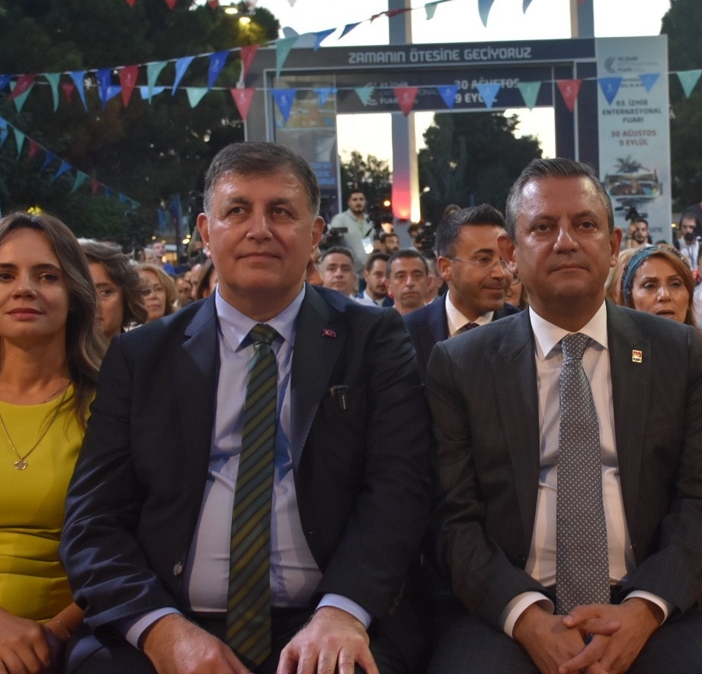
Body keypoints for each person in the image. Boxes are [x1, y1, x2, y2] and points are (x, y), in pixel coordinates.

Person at [59, 142, 432, 674]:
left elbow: (400, 487)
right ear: (206, 233)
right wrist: (162, 631)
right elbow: (93, 520)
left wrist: (343, 611)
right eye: (237, 211)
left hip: (329, 617)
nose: (260, 229)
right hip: (169, 616)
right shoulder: (141, 356)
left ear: (315, 235)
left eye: (280, 211)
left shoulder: (371, 338)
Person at [426, 158, 702, 674]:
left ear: (613, 241)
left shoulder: (677, 351)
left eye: (584, 224)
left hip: (646, 601)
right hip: (508, 608)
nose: (565, 242)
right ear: (510, 252)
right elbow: (452, 519)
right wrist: (526, 618)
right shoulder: (462, 363)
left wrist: (643, 611)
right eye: (542, 227)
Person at [0, 212, 106, 673]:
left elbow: (134, 547)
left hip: (65, 643)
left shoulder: (114, 407)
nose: (24, 289)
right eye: (5, 275)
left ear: (74, 296)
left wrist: (49, 637)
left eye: (47, 276)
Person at [403, 204, 518, 376]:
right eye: (484, 260)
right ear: (445, 267)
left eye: (504, 261)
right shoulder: (408, 331)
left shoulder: (524, 331)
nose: (500, 273)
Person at [620, 246, 702, 401]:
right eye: (650, 286)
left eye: (675, 284)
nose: (664, 295)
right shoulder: (614, 357)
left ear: (689, 297)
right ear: (630, 299)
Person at [80, 241, 147, 342]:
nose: (94, 304)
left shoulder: (149, 351)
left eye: (105, 292)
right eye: (84, 293)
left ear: (126, 298)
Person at [326, 187, 373, 275]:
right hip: (350, 271)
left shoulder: (370, 220)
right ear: (349, 202)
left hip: (370, 270)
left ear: (365, 202)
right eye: (355, 200)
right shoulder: (340, 220)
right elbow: (333, 241)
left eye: (361, 199)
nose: (358, 202)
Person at [388, 250, 429, 316]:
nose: (409, 283)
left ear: (427, 282)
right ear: (388, 286)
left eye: (417, 276)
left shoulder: (442, 319)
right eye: (401, 276)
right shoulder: (380, 322)